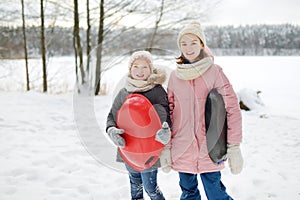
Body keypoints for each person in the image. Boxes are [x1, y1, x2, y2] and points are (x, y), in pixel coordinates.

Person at [166, 21, 244, 200]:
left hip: (211, 147)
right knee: (188, 193)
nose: (188, 47)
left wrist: (234, 147)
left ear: (202, 44)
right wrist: (166, 147)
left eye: (193, 42)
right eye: (183, 43)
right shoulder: (174, 76)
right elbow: (168, 113)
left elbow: (232, 109)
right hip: (182, 147)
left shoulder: (215, 72)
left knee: (216, 194)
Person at [106, 50, 172, 200]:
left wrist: (166, 130)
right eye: (136, 67)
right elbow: (112, 116)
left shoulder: (157, 91)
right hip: (128, 148)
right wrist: (111, 130)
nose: (140, 71)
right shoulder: (124, 92)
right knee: (135, 186)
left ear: (151, 69)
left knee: (151, 188)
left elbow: (167, 115)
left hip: (150, 150)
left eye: (144, 67)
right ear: (130, 69)